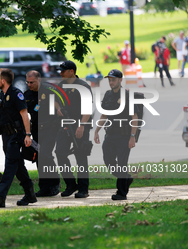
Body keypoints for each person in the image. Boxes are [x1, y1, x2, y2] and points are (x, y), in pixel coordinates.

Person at [0, 68, 37, 208]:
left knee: (10, 166)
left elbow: (25, 115)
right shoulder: (1, 95)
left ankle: (0, 196)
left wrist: (27, 134)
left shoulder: (16, 94)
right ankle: (30, 194)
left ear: (3, 80)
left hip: (16, 136)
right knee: (18, 166)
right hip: (6, 137)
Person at [94, 69, 138, 200]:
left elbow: (134, 117)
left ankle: (121, 193)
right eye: (109, 80)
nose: (111, 82)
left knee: (122, 164)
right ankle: (127, 179)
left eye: (113, 79)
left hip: (124, 136)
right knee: (108, 160)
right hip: (110, 135)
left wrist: (132, 137)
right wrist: (97, 130)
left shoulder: (127, 96)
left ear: (120, 80)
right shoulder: (108, 95)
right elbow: (104, 114)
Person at [54, 60, 92, 198]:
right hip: (64, 124)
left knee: (80, 156)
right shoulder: (61, 85)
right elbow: (55, 98)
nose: (61, 73)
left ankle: (83, 189)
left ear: (71, 71)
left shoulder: (83, 86)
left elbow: (88, 108)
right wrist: (58, 108)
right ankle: (70, 185)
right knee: (60, 153)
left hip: (80, 124)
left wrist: (82, 126)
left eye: (63, 71)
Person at [24, 70, 60, 197]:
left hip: (50, 129)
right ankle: (44, 187)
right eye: (27, 82)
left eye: (32, 82)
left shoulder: (48, 91)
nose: (29, 84)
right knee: (39, 157)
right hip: (36, 130)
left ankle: (55, 183)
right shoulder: (26, 95)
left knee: (45, 154)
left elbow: (57, 108)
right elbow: (24, 113)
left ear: (39, 80)